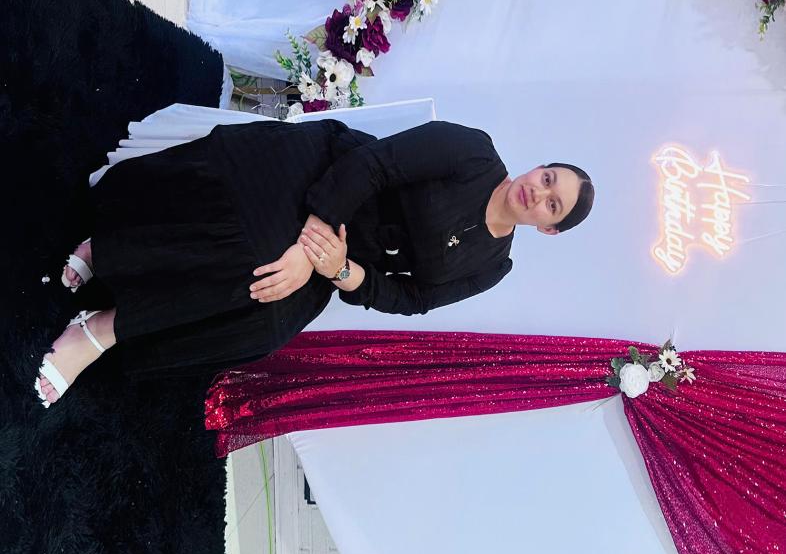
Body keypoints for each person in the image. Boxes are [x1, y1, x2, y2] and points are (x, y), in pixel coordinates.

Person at [34, 119, 594, 405]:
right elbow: (375, 164)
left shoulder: (494, 266)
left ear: (548, 228)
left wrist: (339, 271)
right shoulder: (474, 151)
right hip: (326, 176)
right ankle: (109, 251)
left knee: (262, 326)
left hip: (339, 258)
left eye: (553, 204)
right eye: (548, 178)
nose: (539, 192)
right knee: (255, 258)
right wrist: (311, 243)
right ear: (539, 167)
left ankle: (106, 327)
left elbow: (415, 299)